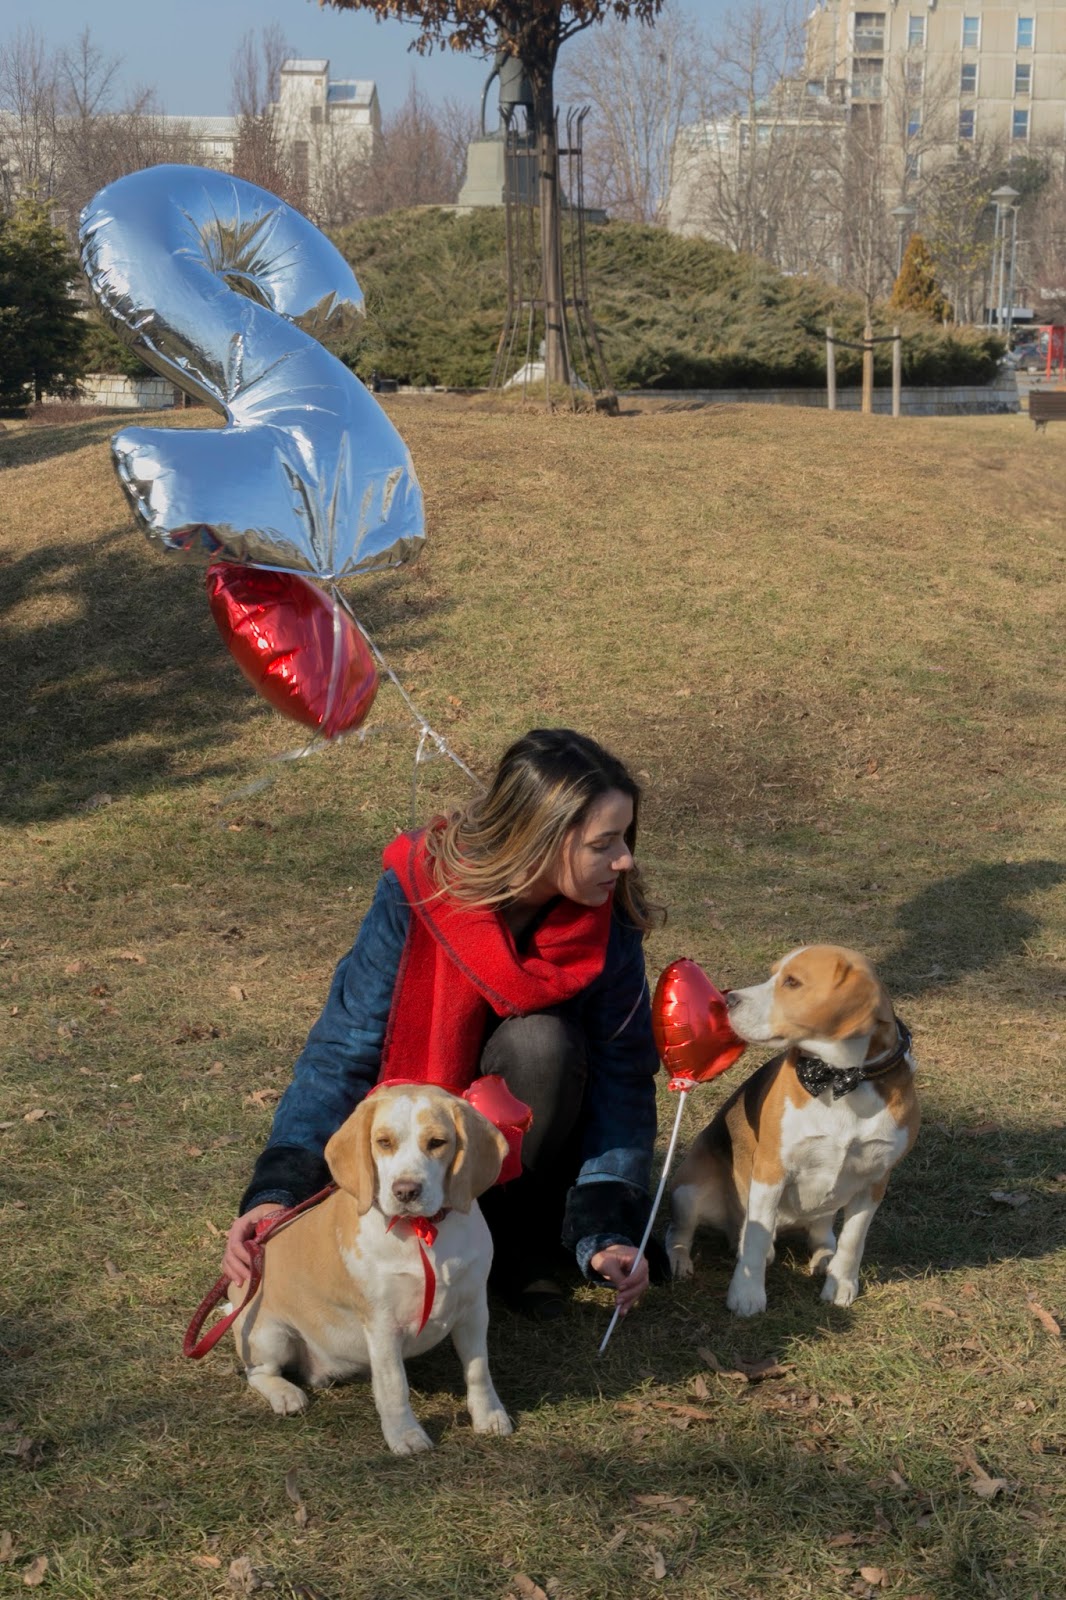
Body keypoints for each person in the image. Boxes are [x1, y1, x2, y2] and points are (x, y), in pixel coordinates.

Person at [223, 727, 665, 1322]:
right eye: (603, 843)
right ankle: (435, 1231)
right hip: (420, 1141)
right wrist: (277, 1192)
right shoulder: (417, 892)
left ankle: (515, 1240)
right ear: (538, 840)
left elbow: (623, 1073)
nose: (624, 859)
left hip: (548, 1152)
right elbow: (344, 1048)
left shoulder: (610, 915)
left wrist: (608, 1227)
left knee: (541, 1045)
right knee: (534, 1045)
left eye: (624, 838)